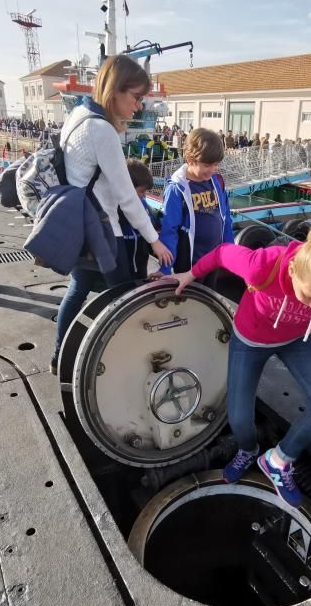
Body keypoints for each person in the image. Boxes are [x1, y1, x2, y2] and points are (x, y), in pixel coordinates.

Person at [169, 223, 311, 507]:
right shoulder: (265, 264)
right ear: (293, 270)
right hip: (249, 340)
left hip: (297, 339)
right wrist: (190, 274)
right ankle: (248, 450)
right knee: (239, 420)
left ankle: (278, 460)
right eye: (308, 297)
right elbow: (223, 252)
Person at [50, 55, 173, 373]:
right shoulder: (102, 131)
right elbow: (127, 196)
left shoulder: (78, 114)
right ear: (116, 90)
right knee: (124, 301)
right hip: (104, 230)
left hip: (79, 224)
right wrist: (155, 241)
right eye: (135, 97)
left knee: (77, 290)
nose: (138, 107)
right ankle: (117, 365)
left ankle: (60, 356)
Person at [158, 128, 234, 284]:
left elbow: (225, 218)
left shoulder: (217, 182)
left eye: (216, 165)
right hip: (190, 263)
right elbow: (169, 230)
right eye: (207, 165)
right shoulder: (177, 189)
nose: (213, 170)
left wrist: (230, 251)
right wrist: (165, 269)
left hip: (214, 259)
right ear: (190, 159)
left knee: (209, 294)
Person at [122, 158, 159, 279]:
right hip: (124, 261)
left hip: (141, 259)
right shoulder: (117, 207)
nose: (144, 195)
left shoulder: (143, 203)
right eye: (142, 191)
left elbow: (150, 222)